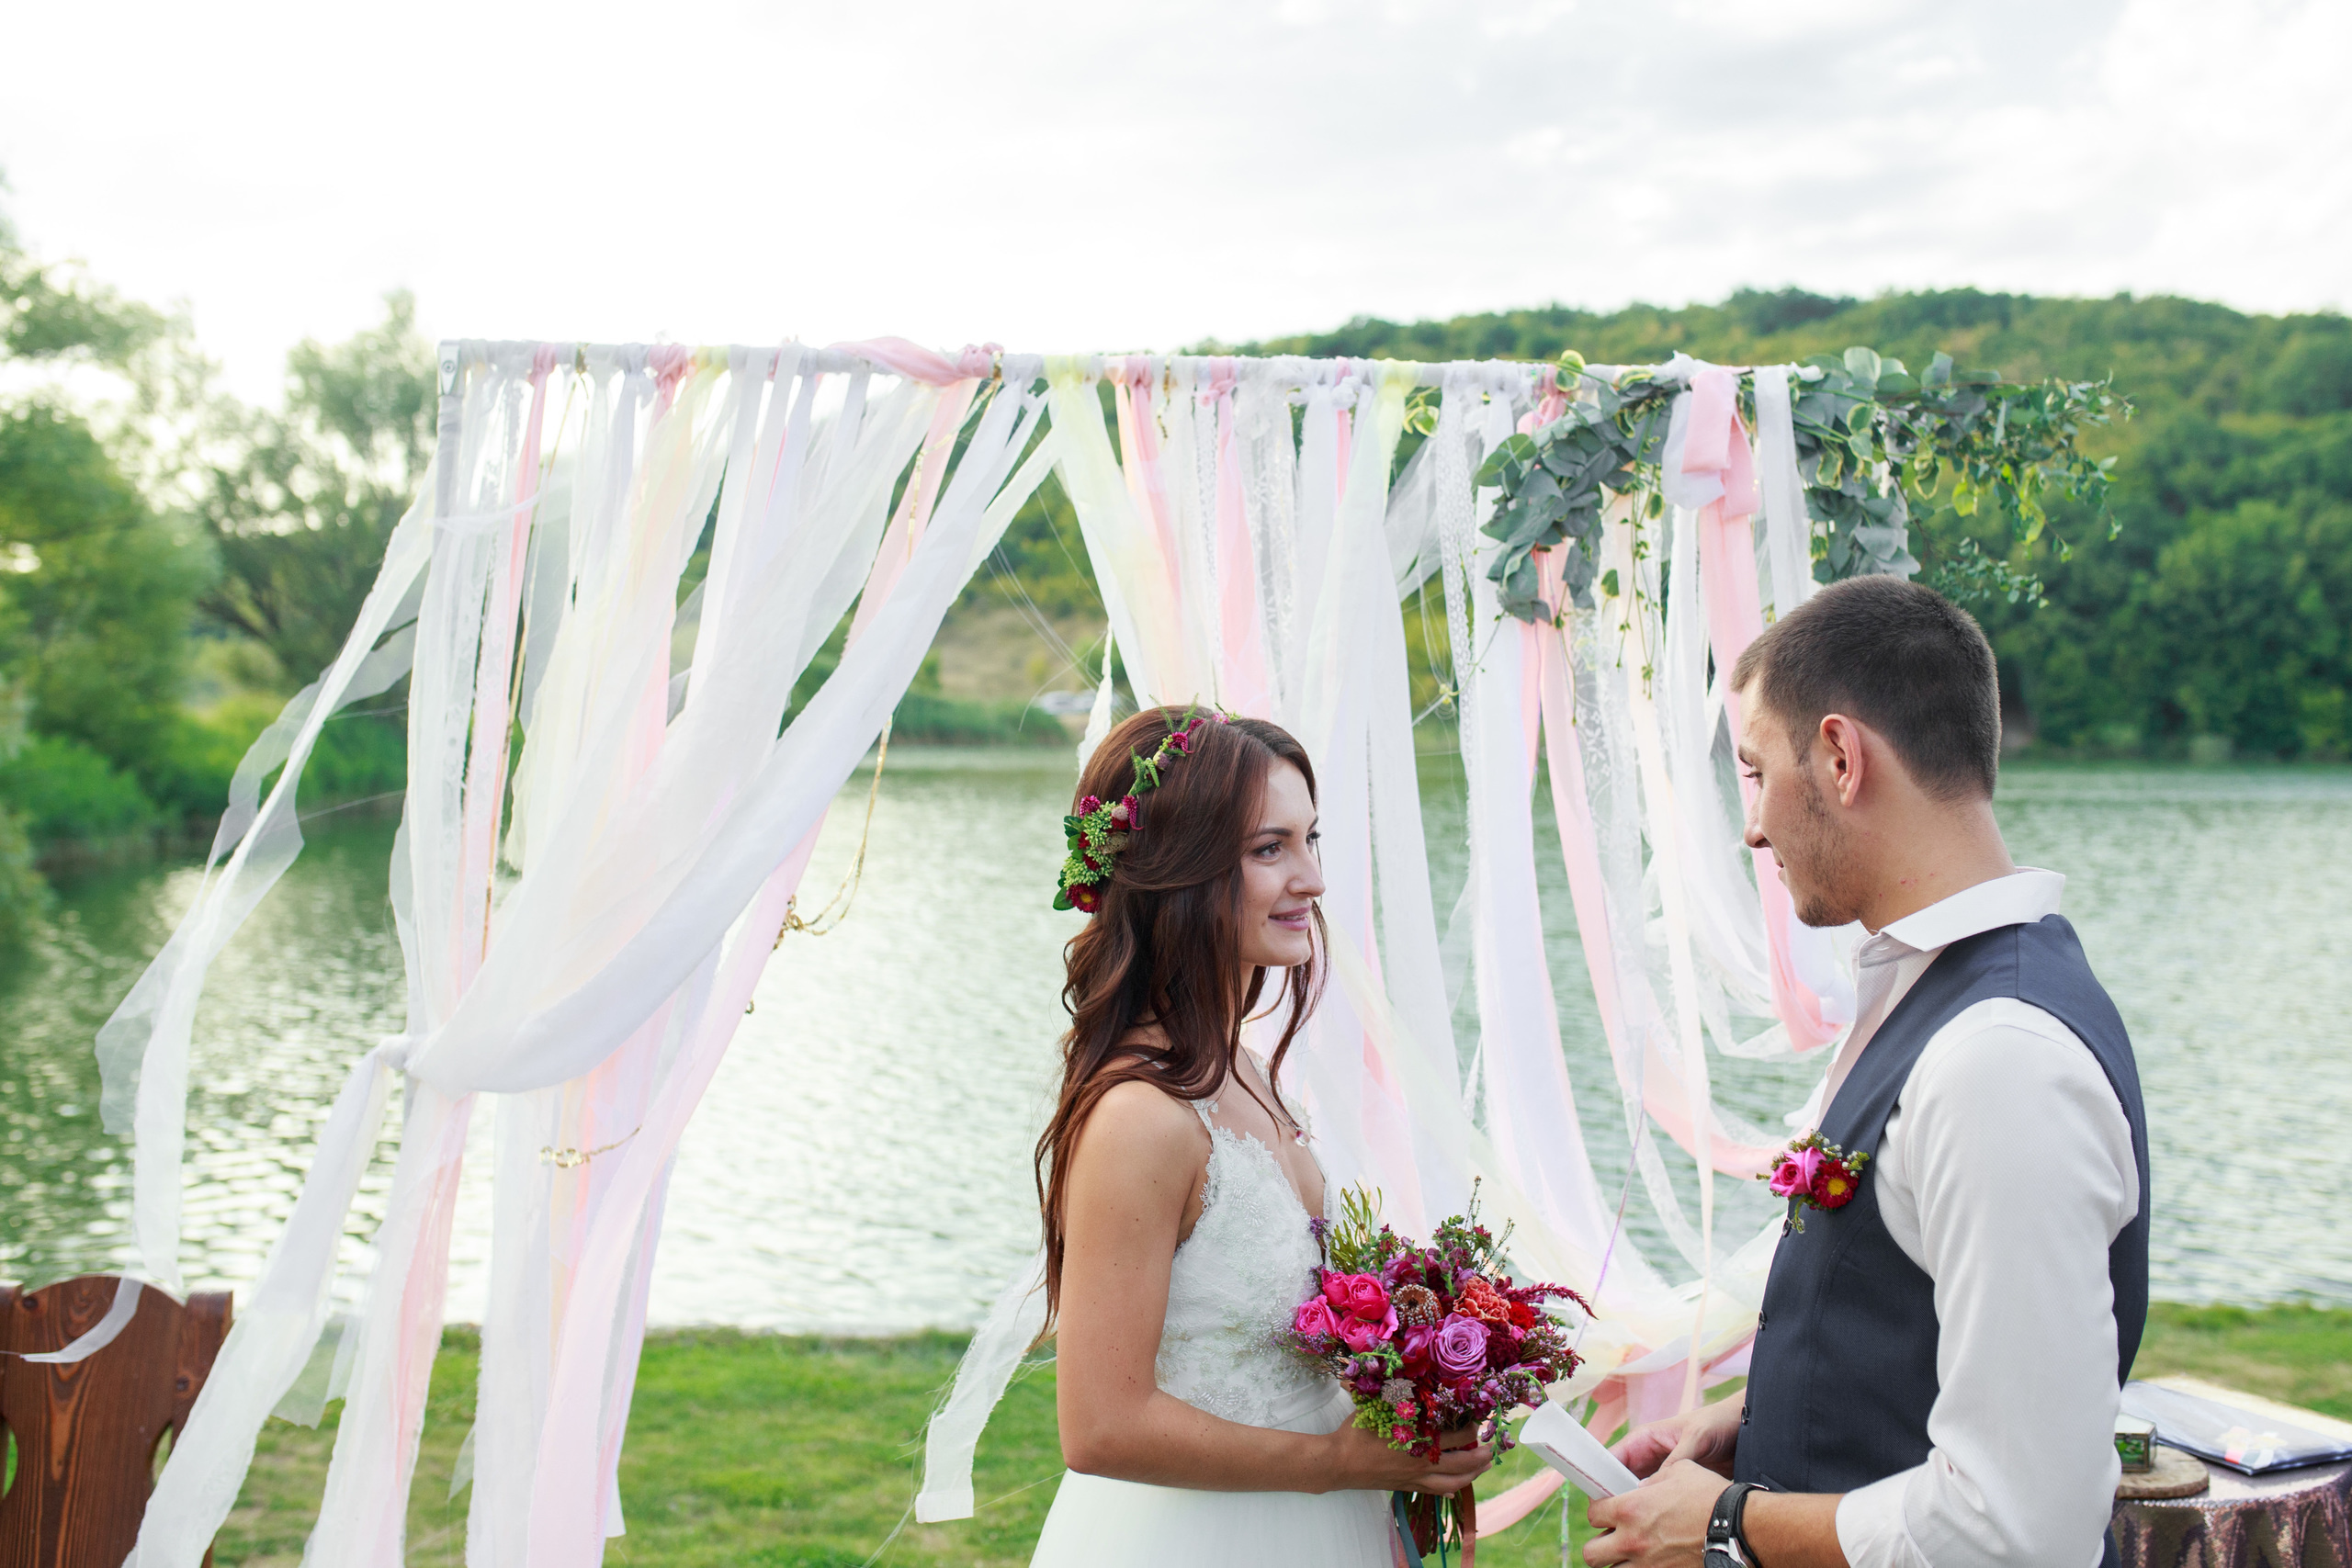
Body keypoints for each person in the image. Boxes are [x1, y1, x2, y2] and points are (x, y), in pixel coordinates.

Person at [1586, 578, 2151, 1568]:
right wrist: (1756, 1430)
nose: (1750, 827)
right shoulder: (1925, 994)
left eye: (1756, 773)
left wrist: (1723, 1526)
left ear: (1841, 758)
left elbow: (2020, 1525)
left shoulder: (1997, 1061)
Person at [1027, 706, 1489, 1566]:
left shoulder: (1240, 1065)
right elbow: (1099, 1426)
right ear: (1178, 871)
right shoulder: (1142, 1117)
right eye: (1269, 848)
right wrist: (1336, 1464)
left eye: (1311, 839)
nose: (1312, 878)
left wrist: (1411, 1412)